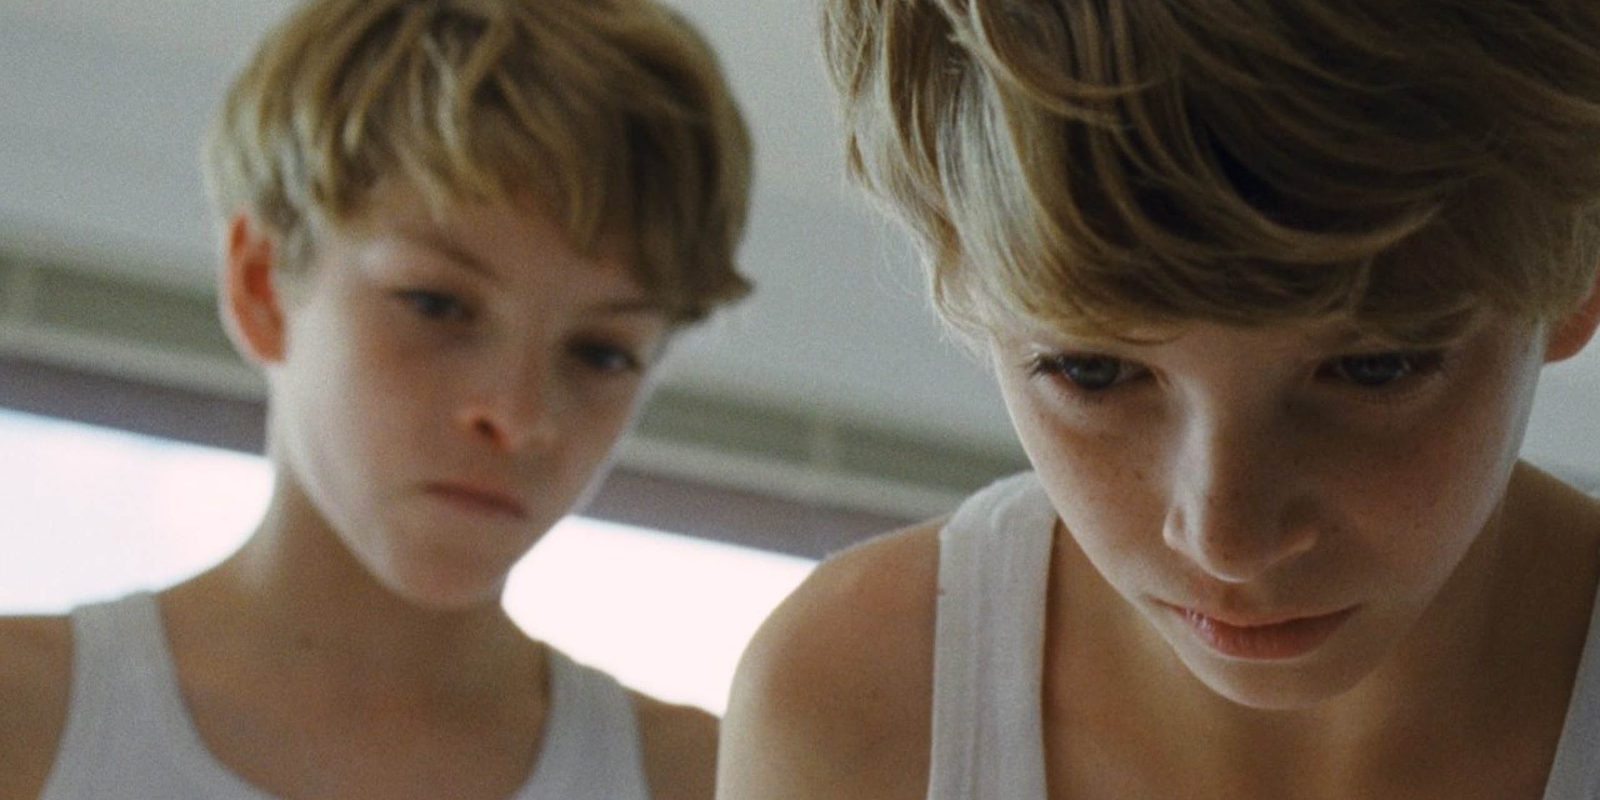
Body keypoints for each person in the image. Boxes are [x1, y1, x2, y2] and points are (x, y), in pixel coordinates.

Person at [719, 1, 1600, 798]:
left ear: (1578, 274)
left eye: (1374, 370)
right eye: (1093, 373)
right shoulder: (859, 710)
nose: (1227, 541)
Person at [0, 0, 750, 797]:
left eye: (601, 353)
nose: (518, 416)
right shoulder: (23, 720)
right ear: (262, 286)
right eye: (436, 305)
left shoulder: (719, 781)